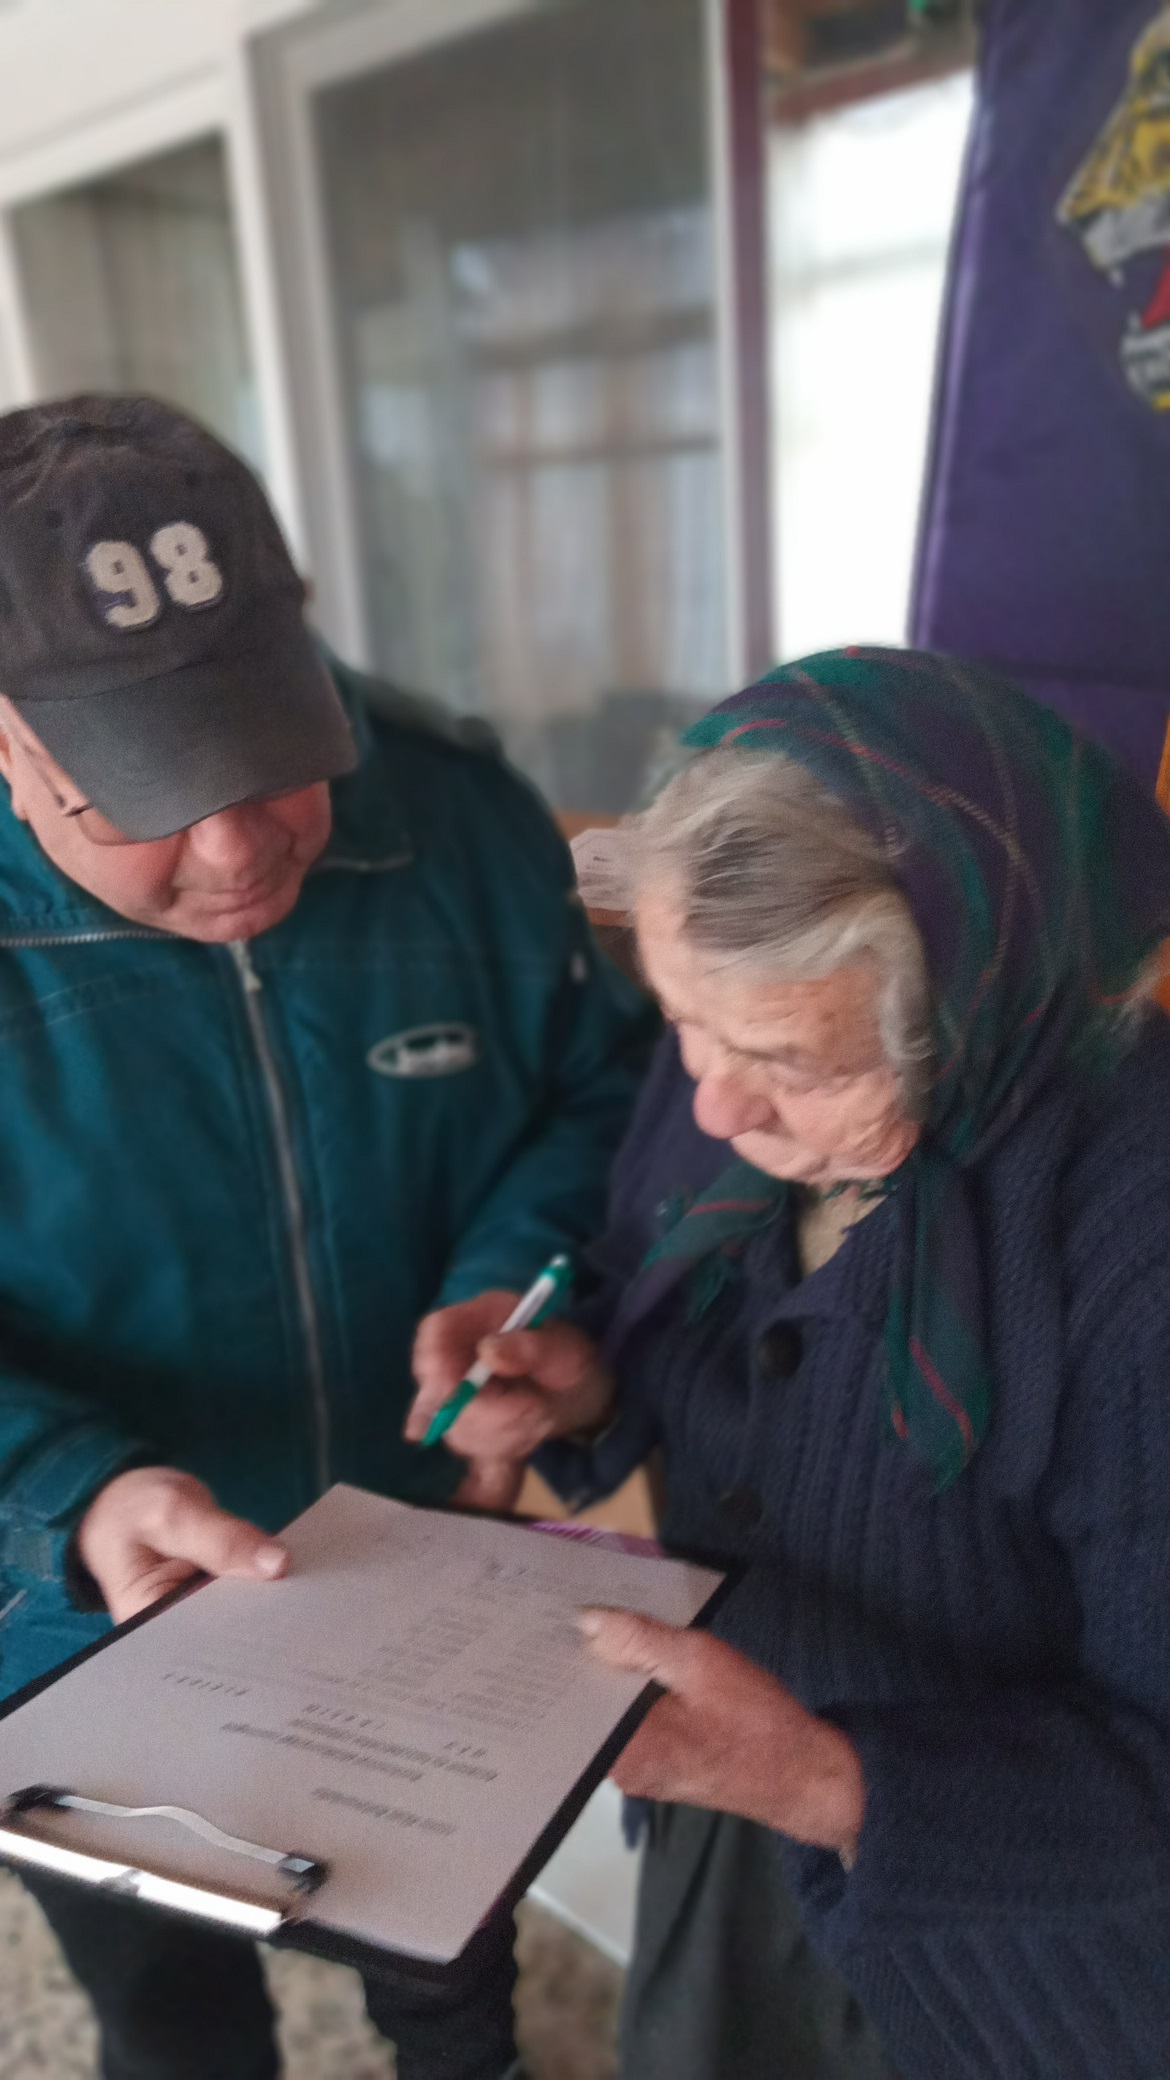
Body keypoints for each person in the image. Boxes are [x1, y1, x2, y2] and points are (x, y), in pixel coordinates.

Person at [0, 394, 654, 2080]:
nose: (236, 848)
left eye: (266, 756)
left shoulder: (459, 814)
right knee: (175, 2028)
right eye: (141, 794)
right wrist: (70, 1495)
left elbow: (594, 1089)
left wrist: (511, 1276)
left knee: (449, 1991)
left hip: (426, 1571)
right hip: (75, 1625)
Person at [409, 647, 1170, 2080]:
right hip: (732, 1803)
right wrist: (587, 1384)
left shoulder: (1136, 1252)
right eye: (681, 1022)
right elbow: (676, 1303)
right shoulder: (738, 1053)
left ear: (976, 1005)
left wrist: (824, 1780)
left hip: (1023, 1954)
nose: (711, 1104)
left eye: (793, 1064)